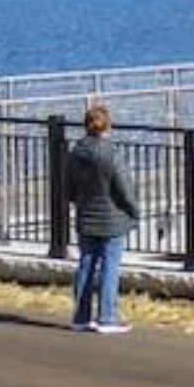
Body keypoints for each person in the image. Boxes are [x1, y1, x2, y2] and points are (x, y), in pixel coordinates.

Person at [66, 104, 140, 335]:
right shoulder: (112, 154)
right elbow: (124, 189)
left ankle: (81, 316)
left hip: (86, 216)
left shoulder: (75, 153)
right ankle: (108, 317)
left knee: (86, 263)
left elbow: (67, 188)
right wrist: (134, 211)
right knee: (110, 266)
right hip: (112, 218)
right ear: (108, 126)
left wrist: (79, 202)